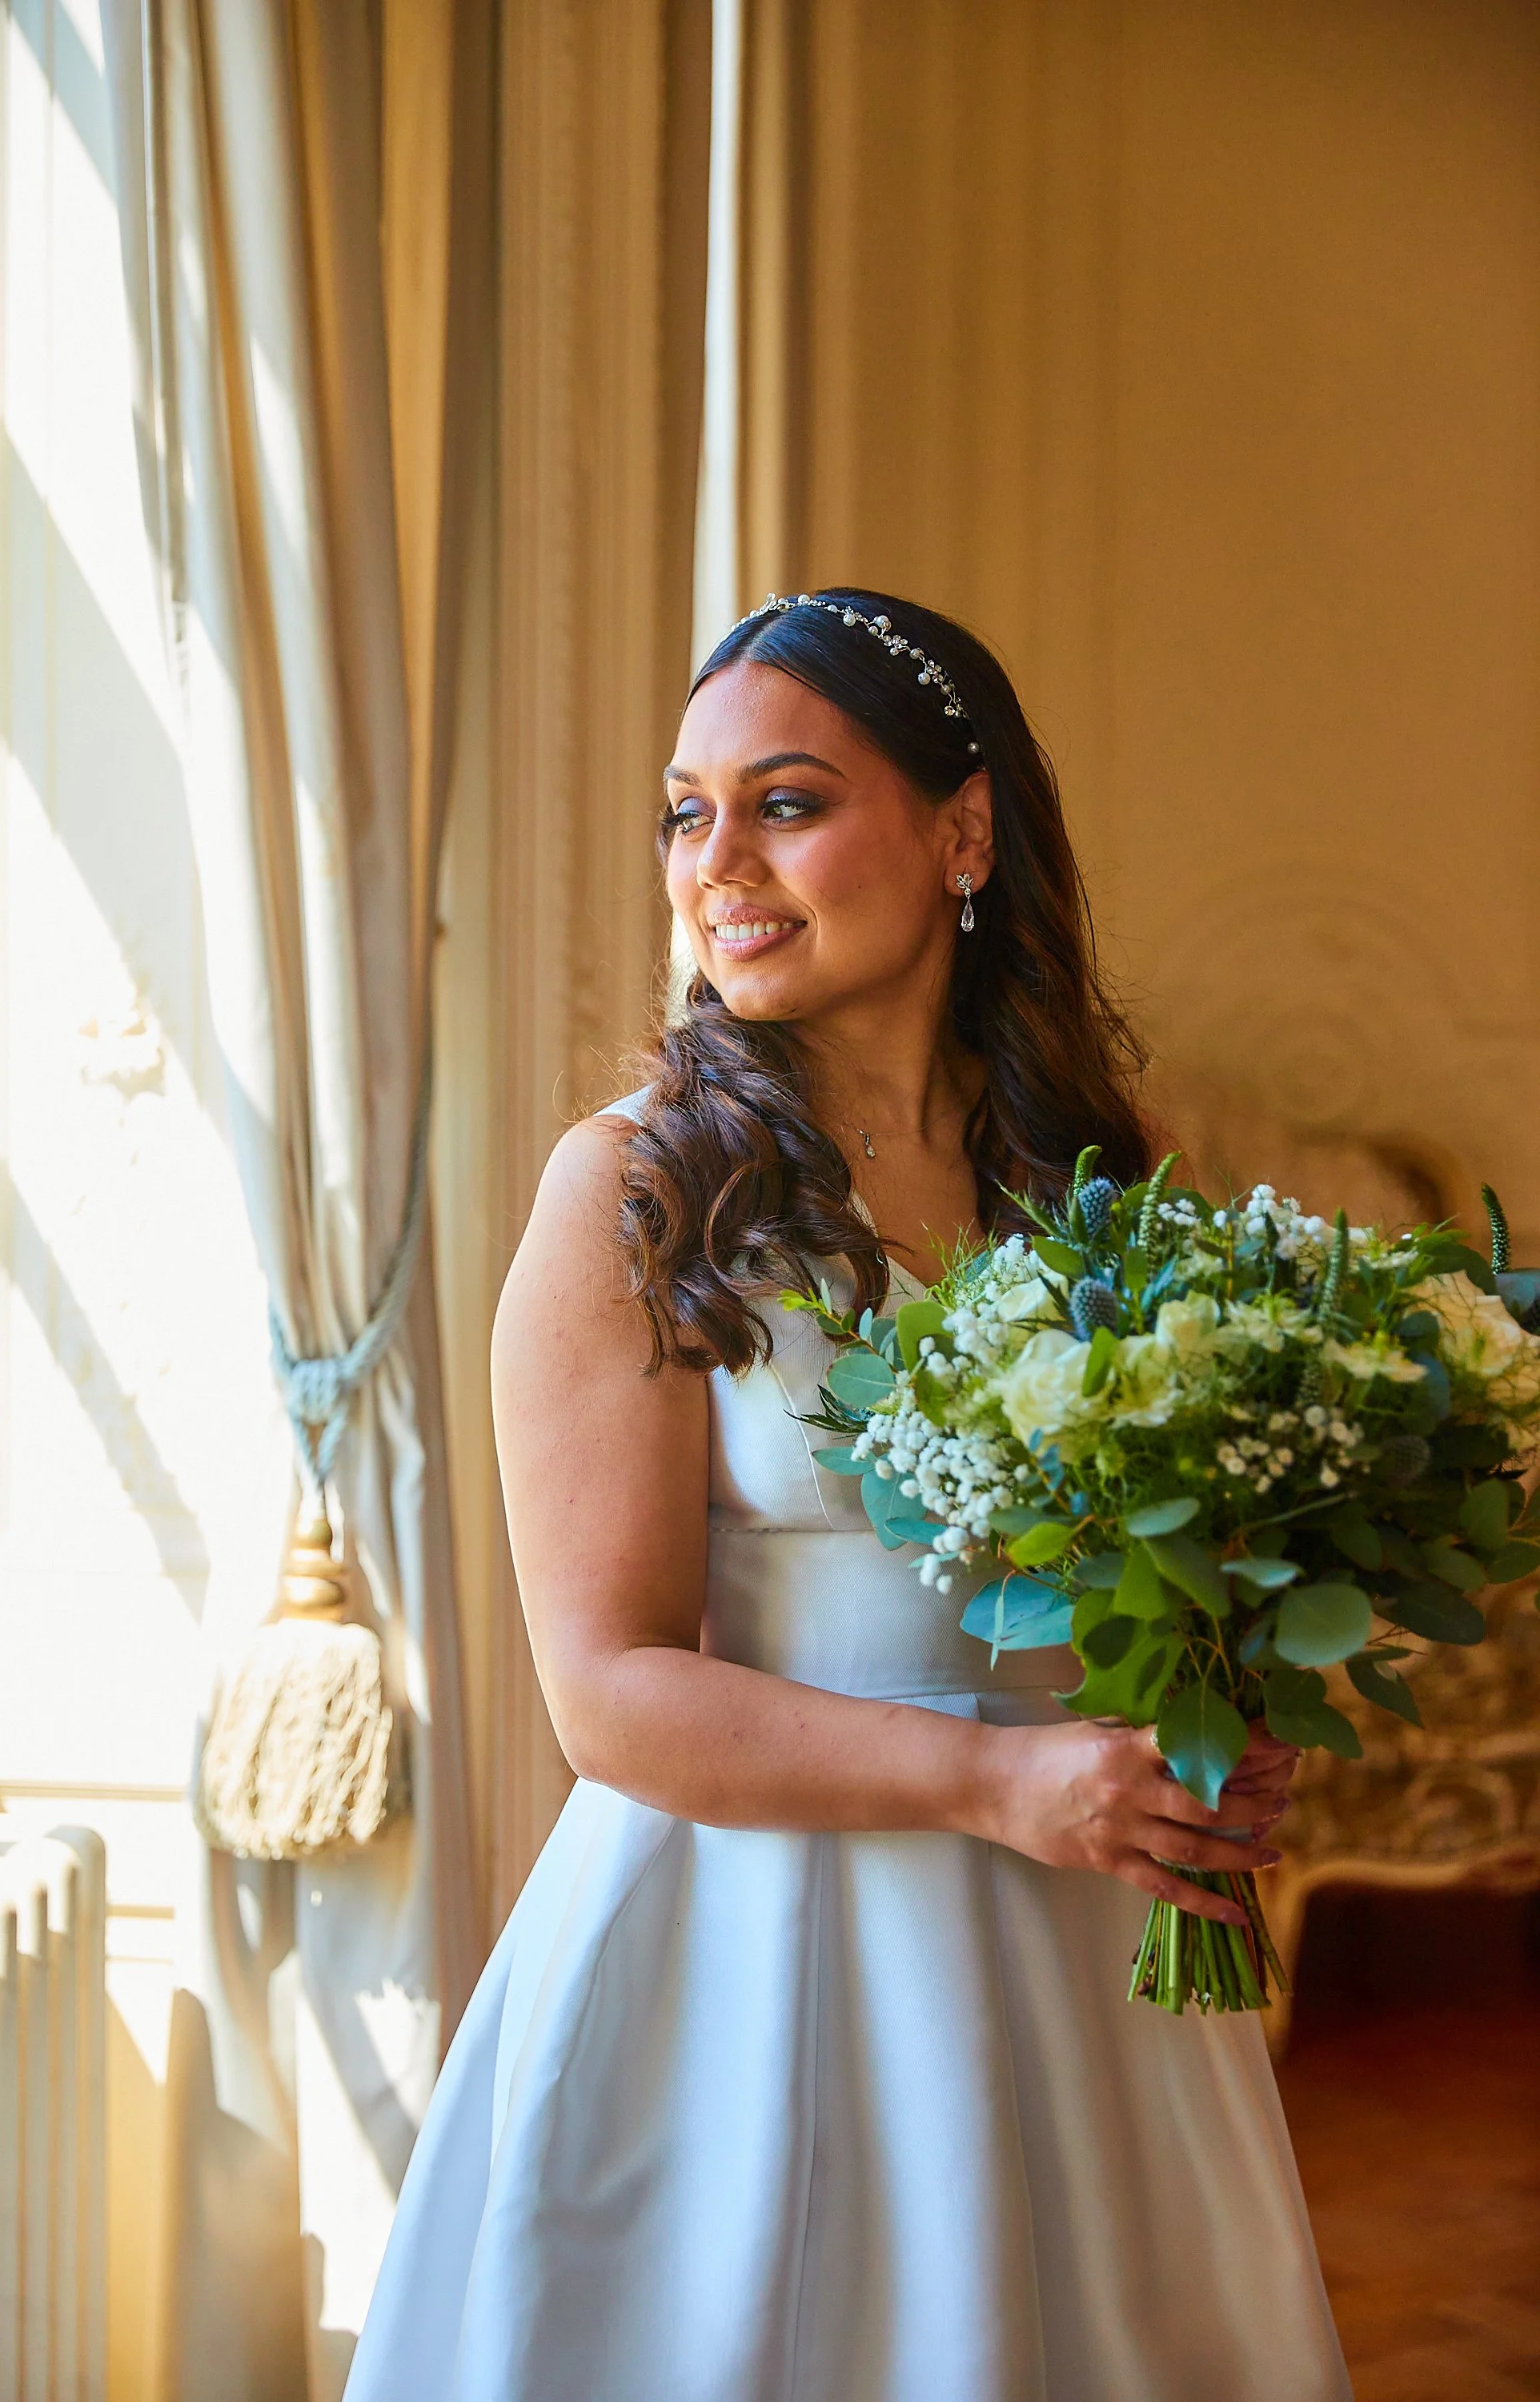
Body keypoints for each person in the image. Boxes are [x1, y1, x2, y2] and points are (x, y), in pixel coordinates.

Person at [345, 589, 1351, 2400]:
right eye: (685, 810)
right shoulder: (637, 1193)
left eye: (785, 802)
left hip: (1082, 1973)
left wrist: (1202, 1728)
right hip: (747, 1970)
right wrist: (998, 1779)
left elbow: (1166, 1575)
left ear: (963, 833)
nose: (714, 861)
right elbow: (608, 1695)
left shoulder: (1097, 1182)